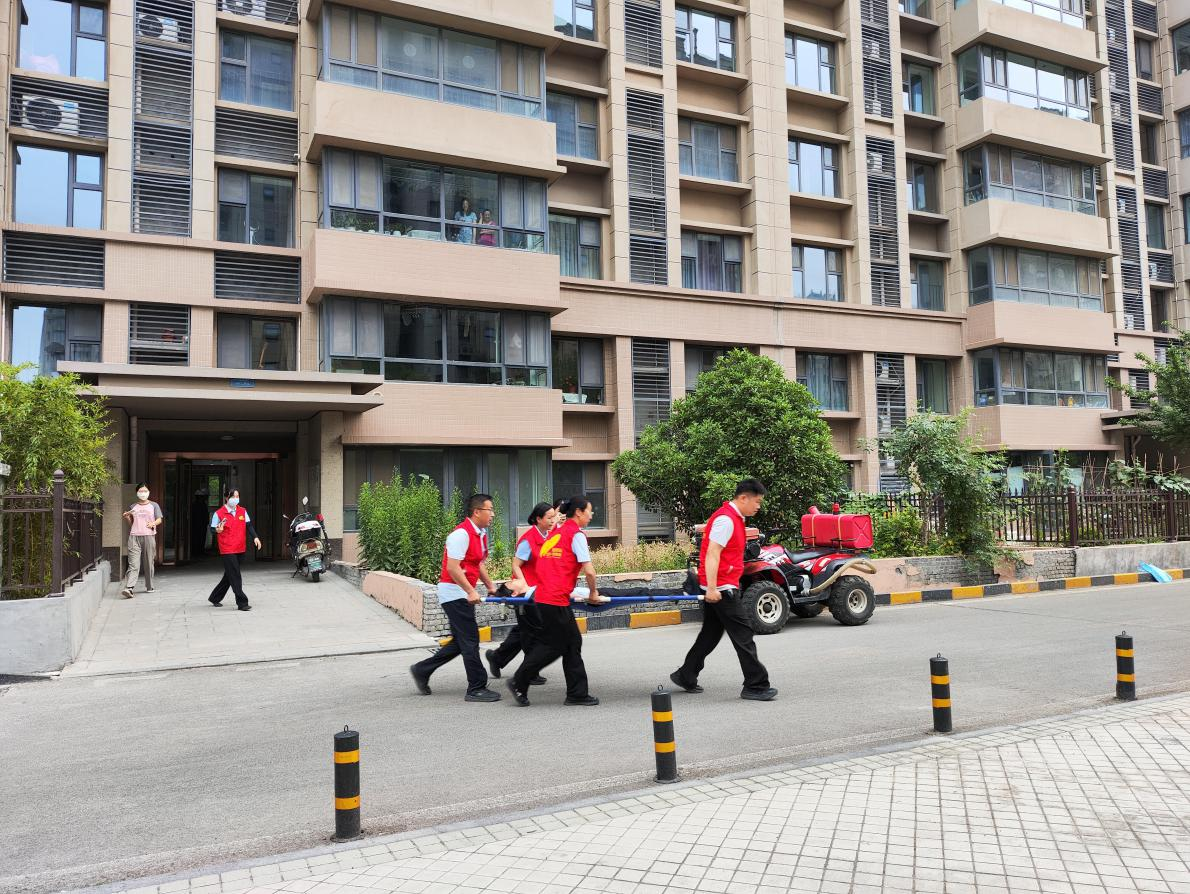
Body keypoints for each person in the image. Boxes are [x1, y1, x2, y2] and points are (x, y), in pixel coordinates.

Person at [670, 479, 778, 701]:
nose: (758, 506)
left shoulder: (735, 518)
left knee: (710, 635)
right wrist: (711, 588)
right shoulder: (726, 520)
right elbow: (712, 553)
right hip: (721, 588)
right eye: (757, 501)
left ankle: (686, 675)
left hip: (721, 585)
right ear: (743, 498)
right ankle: (756, 685)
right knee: (744, 634)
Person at [507, 496, 609, 708]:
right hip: (554, 598)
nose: (591, 515)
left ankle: (576, 693)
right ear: (579, 512)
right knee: (555, 645)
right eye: (589, 511)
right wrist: (593, 593)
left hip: (545, 596)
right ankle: (520, 680)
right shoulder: (576, 535)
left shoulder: (556, 533)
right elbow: (589, 571)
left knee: (571, 643)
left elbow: (547, 564)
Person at [410, 494, 504, 703]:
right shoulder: (461, 534)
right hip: (453, 593)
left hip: (461, 592)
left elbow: (477, 564)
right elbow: (453, 568)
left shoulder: (480, 534)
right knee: (470, 640)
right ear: (477, 512)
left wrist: (490, 586)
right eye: (490, 510)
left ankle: (422, 670)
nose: (493, 514)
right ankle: (476, 688)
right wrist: (470, 591)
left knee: (460, 642)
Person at [485, 502, 554, 683]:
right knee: (532, 630)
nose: (553, 520)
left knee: (526, 629)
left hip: (540, 591)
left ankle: (497, 657)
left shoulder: (549, 537)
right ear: (538, 519)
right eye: (549, 518)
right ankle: (529, 671)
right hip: (525, 593)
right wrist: (525, 585)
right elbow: (516, 565)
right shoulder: (528, 540)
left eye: (554, 517)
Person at [208, 488, 262, 611]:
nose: (236, 499)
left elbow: (249, 526)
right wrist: (218, 530)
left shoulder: (242, 511)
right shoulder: (219, 513)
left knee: (230, 575)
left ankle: (215, 597)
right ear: (227, 498)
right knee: (235, 575)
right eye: (233, 497)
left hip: (240, 547)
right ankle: (242, 602)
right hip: (227, 549)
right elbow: (212, 529)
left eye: (237, 496)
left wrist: (255, 537)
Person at [121, 483, 163, 598]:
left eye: (145, 491)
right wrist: (127, 517)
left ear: (148, 492)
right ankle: (129, 588)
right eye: (141, 491)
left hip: (149, 536)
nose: (143, 493)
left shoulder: (154, 505)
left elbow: (159, 519)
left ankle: (149, 586)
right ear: (137, 493)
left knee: (149, 562)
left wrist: (153, 523)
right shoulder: (133, 506)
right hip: (134, 537)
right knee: (133, 564)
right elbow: (132, 524)